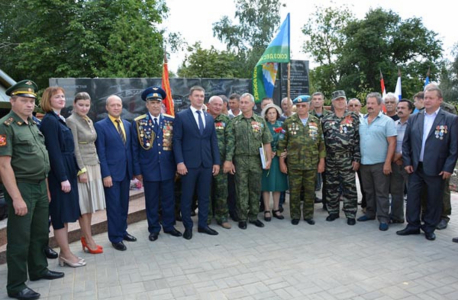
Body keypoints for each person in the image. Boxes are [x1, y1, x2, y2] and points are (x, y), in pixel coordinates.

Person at [0, 80, 64, 300]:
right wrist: (16, 198)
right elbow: (4, 165)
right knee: (20, 238)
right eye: (24, 101)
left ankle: (38, 269)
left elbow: (41, 159)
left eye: (32, 101)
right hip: (22, 187)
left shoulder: (33, 124)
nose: (29, 105)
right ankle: (16, 285)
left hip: (39, 186)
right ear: (13, 101)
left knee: (39, 233)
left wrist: (46, 188)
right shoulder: (5, 125)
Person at [397, 85, 458, 241]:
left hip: (437, 168)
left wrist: (448, 168)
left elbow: (454, 147)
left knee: (433, 200)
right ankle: (412, 225)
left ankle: (429, 228)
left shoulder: (450, 119)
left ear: (440, 100)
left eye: (431, 98)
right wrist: (407, 162)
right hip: (416, 167)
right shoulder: (414, 118)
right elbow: (406, 143)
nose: (427, 100)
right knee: (412, 198)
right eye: (425, 97)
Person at [40, 86, 86, 268]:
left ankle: (64, 253)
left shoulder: (58, 119)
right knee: (59, 216)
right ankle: (66, 254)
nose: (60, 99)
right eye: (56, 97)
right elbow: (54, 152)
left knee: (65, 214)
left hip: (67, 170)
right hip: (59, 174)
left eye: (62, 96)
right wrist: (63, 178)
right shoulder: (50, 121)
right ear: (48, 100)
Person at [132, 87, 181, 242]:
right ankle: (153, 229)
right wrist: (137, 171)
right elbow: (135, 149)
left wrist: (177, 166)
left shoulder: (171, 121)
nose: (155, 105)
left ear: (162, 103)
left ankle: (169, 226)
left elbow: (176, 146)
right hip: (149, 169)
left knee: (168, 200)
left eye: (158, 102)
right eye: (152, 102)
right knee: (151, 201)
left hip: (167, 168)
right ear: (146, 104)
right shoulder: (138, 123)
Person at [173, 86, 220, 240]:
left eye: (202, 96)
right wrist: (180, 162)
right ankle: (188, 227)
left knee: (205, 196)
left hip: (206, 164)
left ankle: (203, 225)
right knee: (187, 197)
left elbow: (213, 141)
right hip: (188, 164)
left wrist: (216, 162)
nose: (200, 98)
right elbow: (177, 141)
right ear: (190, 97)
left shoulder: (208, 117)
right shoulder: (181, 116)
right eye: (197, 96)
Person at [224, 93, 272, 229]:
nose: (243, 105)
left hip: (256, 160)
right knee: (241, 190)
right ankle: (242, 217)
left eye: (246, 102)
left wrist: (268, 160)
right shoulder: (234, 122)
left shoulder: (260, 121)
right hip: (240, 160)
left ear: (252, 104)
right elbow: (230, 144)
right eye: (242, 102)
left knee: (255, 189)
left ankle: (254, 216)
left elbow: (267, 141)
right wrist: (230, 161)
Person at [95, 95, 136, 251]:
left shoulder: (127, 124)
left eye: (119, 105)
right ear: (107, 108)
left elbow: (129, 149)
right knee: (113, 206)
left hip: (125, 172)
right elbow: (101, 152)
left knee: (124, 204)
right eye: (113, 105)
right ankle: (115, 237)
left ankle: (123, 231)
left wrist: (132, 170)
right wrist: (106, 174)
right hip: (111, 174)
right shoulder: (100, 126)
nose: (116, 107)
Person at [66, 92, 105, 254]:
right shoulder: (71, 120)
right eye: (81, 105)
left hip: (94, 164)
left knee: (89, 206)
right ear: (74, 104)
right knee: (84, 206)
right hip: (84, 168)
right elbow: (74, 147)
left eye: (87, 105)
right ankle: (88, 239)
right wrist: (81, 170)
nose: (84, 108)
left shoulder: (87, 119)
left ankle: (86, 238)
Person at [277, 95, 326, 225]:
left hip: (311, 163)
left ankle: (309, 215)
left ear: (309, 106)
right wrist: (282, 162)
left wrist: (322, 162)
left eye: (303, 105)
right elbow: (282, 143)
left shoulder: (316, 121)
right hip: (294, 163)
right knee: (294, 191)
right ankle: (295, 215)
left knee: (310, 191)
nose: (300, 108)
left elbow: (321, 143)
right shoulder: (288, 122)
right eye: (298, 106)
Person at [357, 92, 396, 231]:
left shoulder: (387, 121)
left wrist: (387, 162)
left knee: (382, 192)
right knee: (368, 191)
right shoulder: (361, 120)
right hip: (364, 162)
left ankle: (384, 218)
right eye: (368, 103)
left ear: (380, 105)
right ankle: (370, 213)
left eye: (373, 103)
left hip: (380, 163)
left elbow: (392, 143)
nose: (370, 106)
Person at [322, 90, 360, 225]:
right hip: (331, 159)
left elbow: (357, 139)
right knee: (332, 186)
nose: (340, 102)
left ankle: (350, 213)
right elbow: (322, 141)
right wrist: (323, 160)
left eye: (342, 99)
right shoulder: (326, 119)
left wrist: (356, 159)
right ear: (332, 103)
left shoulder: (354, 118)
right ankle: (333, 212)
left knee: (349, 187)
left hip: (347, 159)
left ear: (346, 101)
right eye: (337, 100)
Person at [206, 96, 231, 229]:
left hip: (221, 163)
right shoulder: (203, 118)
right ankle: (207, 217)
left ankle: (222, 217)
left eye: (220, 105)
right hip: (205, 162)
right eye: (214, 104)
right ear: (208, 105)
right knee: (205, 191)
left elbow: (231, 141)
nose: (217, 107)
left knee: (222, 191)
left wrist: (228, 160)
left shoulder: (226, 120)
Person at [260, 104, 288, 221]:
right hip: (267, 159)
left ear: (277, 114)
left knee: (277, 185)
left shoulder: (282, 126)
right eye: (269, 113)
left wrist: (285, 151)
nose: (272, 115)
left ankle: (276, 208)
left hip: (279, 159)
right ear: (266, 115)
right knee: (266, 185)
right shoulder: (262, 126)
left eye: (274, 112)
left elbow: (287, 140)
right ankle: (267, 209)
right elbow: (259, 142)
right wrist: (268, 152)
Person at [389, 99, 413, 224]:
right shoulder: (394, 124)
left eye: (403, 108)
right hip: (395, 162)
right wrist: (395, 157)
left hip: (409, 163)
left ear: (410, 110)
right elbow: (389, 142)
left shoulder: (415, 124)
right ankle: (397, 217)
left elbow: (415, 144)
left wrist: (400, 156)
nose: (399, 110)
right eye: (398, 108)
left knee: (412, 193)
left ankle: (413, 220)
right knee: (396, 191)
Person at [310, 92, 331, 207]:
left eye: (319, 99)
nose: (317, 101)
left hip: (327, 151)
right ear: (312, 101)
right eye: (315, 99)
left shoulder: (330, 115)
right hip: (311, 152)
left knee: (327, 179)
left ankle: (326, 203)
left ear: (323, 101)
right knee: (311, 178)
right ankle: (310, 201)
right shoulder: (307, 115)